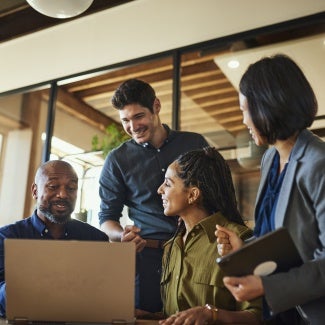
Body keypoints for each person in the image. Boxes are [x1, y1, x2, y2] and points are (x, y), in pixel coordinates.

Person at [215, 54, 325, 324]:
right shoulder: (270, 158)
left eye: (245, 110)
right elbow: (283, 237)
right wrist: (244, 249)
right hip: (277, 313)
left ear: (269, 106)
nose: (243, 121)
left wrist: (268, 286)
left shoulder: (318, 163)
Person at [98, 78, 209, 314]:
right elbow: (106, 218)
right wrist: (121, 235)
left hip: (196, 253)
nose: (133, 126)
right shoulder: (117, 160)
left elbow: (215, 196)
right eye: (125, 120)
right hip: (147, 259)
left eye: (138, 116)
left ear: (156, 106)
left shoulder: (194, 143)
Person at [156, 147, 262, 324]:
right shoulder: (171, 246)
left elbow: (256, 317)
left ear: (193, 195)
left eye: (167, 183)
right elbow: (174, 315)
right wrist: (141, 315)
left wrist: (211, 314)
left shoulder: (237, 240)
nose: (160, 190)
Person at [0, 160, 109, 317]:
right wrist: (26, 280)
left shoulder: (96, 239)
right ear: (35, 191)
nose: (63, 194)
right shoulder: (7, 238)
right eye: (53, 187)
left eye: (71, 188)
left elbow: (105, 294)